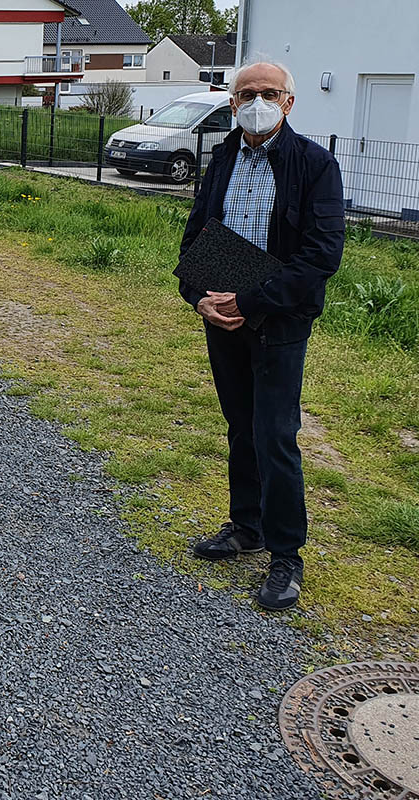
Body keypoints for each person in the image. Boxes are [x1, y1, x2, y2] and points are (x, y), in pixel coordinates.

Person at [179, 60, 345, 611]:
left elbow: (321, 255)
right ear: (231, 103)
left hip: (277, 319)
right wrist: (197, 295)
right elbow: (198, 232)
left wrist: (250, 303)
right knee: (240, 426)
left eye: (268, 92)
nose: (256, 100)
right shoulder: (222, 155)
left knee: (275, 434)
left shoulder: (314, 164)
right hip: (221, 313)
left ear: (289, 102)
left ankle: (285, 555)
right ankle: (246, 526)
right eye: (245, 93)